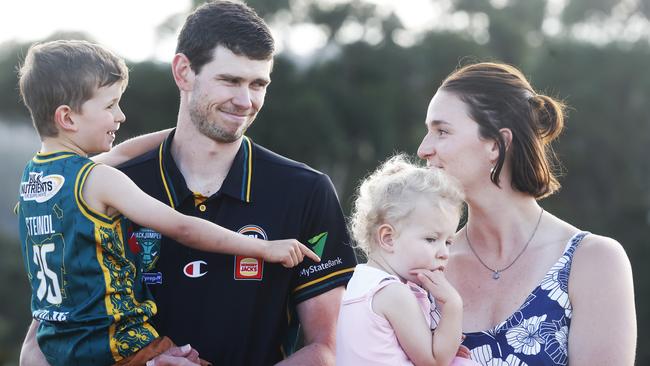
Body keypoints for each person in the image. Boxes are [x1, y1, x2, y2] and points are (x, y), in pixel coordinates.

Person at [16, 39, 320, 366]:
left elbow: (119, 154)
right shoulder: (99, 180)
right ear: (68, 118)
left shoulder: (33, 180)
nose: (120, 115)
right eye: (109, 106)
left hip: (59, 346)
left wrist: (188, 130)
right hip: (118, 347)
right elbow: (182, 227)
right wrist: (262, 248)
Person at [417, 62, 637, 365]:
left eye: (441, 131)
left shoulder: (593, 262)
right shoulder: (424, 265)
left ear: (496, 144)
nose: (423, 149)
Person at [336, 155, 479, 366]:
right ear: (388, 238)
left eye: (448, 242)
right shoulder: (394, 293)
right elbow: (434, 361)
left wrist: (444, 345)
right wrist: (452, 304)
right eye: (431, 239)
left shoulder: (360, 282)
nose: (444, 253)